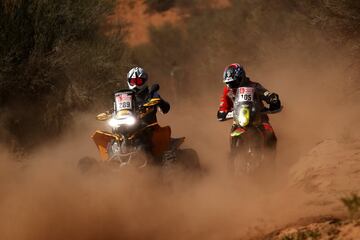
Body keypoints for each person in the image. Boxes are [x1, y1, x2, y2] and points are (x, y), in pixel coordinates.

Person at [217, 63, 281, 159]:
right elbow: (223, 107)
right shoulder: (227, 91)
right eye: (229, 83)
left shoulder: (254, 86)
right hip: (239, 122)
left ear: (242, 77)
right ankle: (232, 162)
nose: (232, 86)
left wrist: (273, 99)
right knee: (231, 141)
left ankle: (270, 165)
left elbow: (267, 95)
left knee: (271, 136)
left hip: (259, 120)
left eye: (234, 82)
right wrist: (222, 112)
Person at [126, 66, 170, 162]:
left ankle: (149, 160)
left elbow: (165, 109)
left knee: (147, 140)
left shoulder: (152, 94)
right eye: (133, 81)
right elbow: (119, 109)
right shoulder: (125, 96)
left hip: (149, 127)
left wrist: (159, 102)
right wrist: (111, 111)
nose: (135, 85)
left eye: (138, 81)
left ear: (144, 81)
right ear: (129, 81)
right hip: (129, 127)